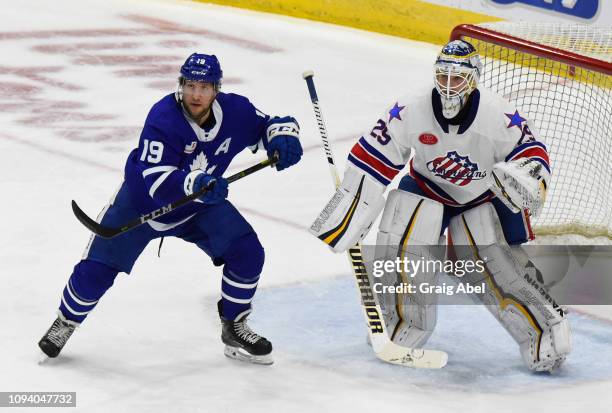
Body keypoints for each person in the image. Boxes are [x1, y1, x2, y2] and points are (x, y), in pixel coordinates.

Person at [309, 40, 571, 372]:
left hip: (479, 196)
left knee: (490, 265)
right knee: (402, 250)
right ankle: (404, 325)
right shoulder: (412, 108)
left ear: (473, 79)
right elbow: (372, 159)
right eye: (442, 77)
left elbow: (532, 153)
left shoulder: (497, 115)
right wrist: (348, 213)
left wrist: (526, 180)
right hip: (426, 187)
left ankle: (543, 329)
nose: (448, 86)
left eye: (457, 79)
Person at [38, 53, 303, 365]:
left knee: (247, 252)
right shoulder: (164, 118)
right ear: (181, 85)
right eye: (190, 85)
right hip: (141, 205)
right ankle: (66, 321)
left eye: (204, 87)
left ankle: (234, 326)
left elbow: (272, 125)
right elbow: (154, 179)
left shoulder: (236, 111)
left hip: (199, 206)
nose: (196, 94)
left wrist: (284, 138)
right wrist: (194, 183)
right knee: (97, 271)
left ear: (216, 89)